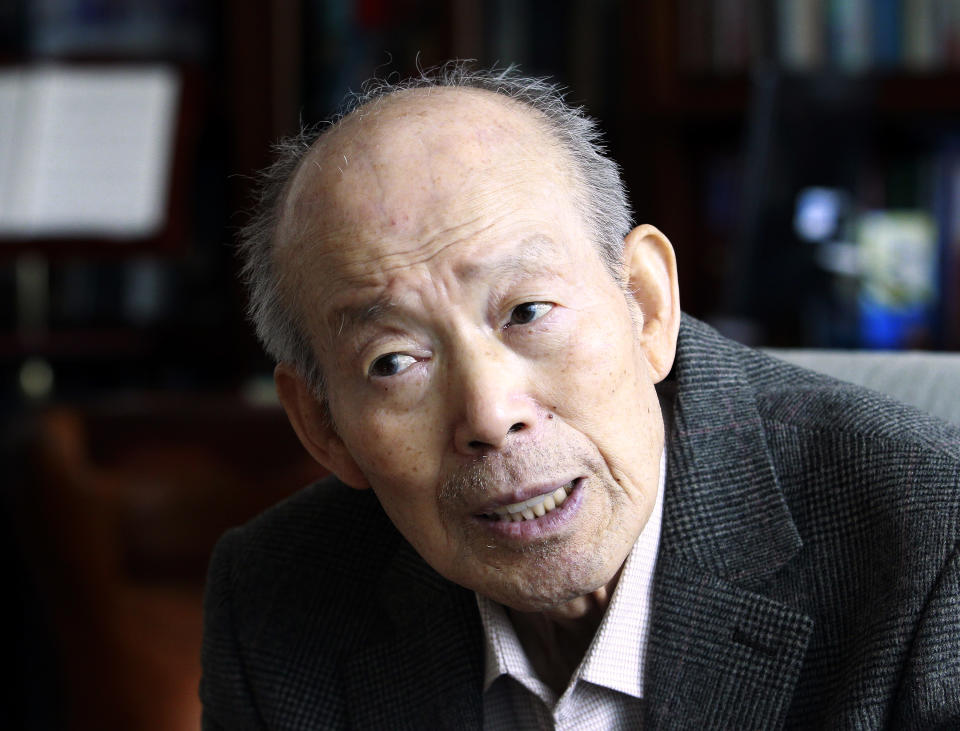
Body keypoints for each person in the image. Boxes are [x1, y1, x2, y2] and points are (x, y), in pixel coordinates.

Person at [201, 63, 960, 729]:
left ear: (647, 302)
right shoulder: (277, 598)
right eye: (395, 360)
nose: (492, 415)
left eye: (527, 312)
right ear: (321, 427)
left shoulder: (929, 545)